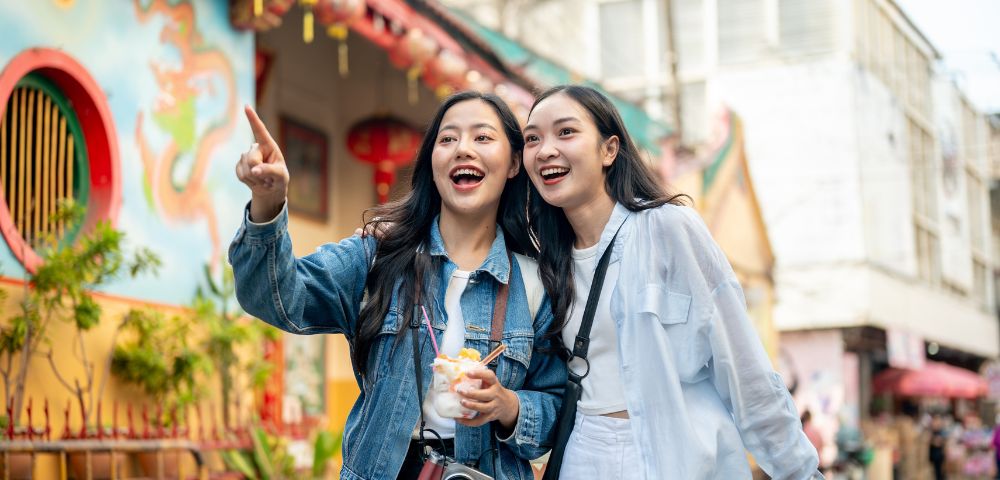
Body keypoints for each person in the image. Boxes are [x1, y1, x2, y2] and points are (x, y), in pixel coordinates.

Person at [229, 92, 565, 480]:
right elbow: (277, 299)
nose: (463, 150)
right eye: (448, 139)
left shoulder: (534, 284)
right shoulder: (378, 257)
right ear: (432, 162)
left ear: (512, 164)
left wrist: (507, 406)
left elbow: (554, 416)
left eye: (483, 138)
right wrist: (268, 204)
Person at [520, 85, 821, 479]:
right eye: (532, 139)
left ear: (609, 150)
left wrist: (799, 471)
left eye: (566, 132)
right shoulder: (545, 261)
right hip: (585, 458)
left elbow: (744, 368)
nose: (545, 150)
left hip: (674, 457)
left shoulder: (667, 229)